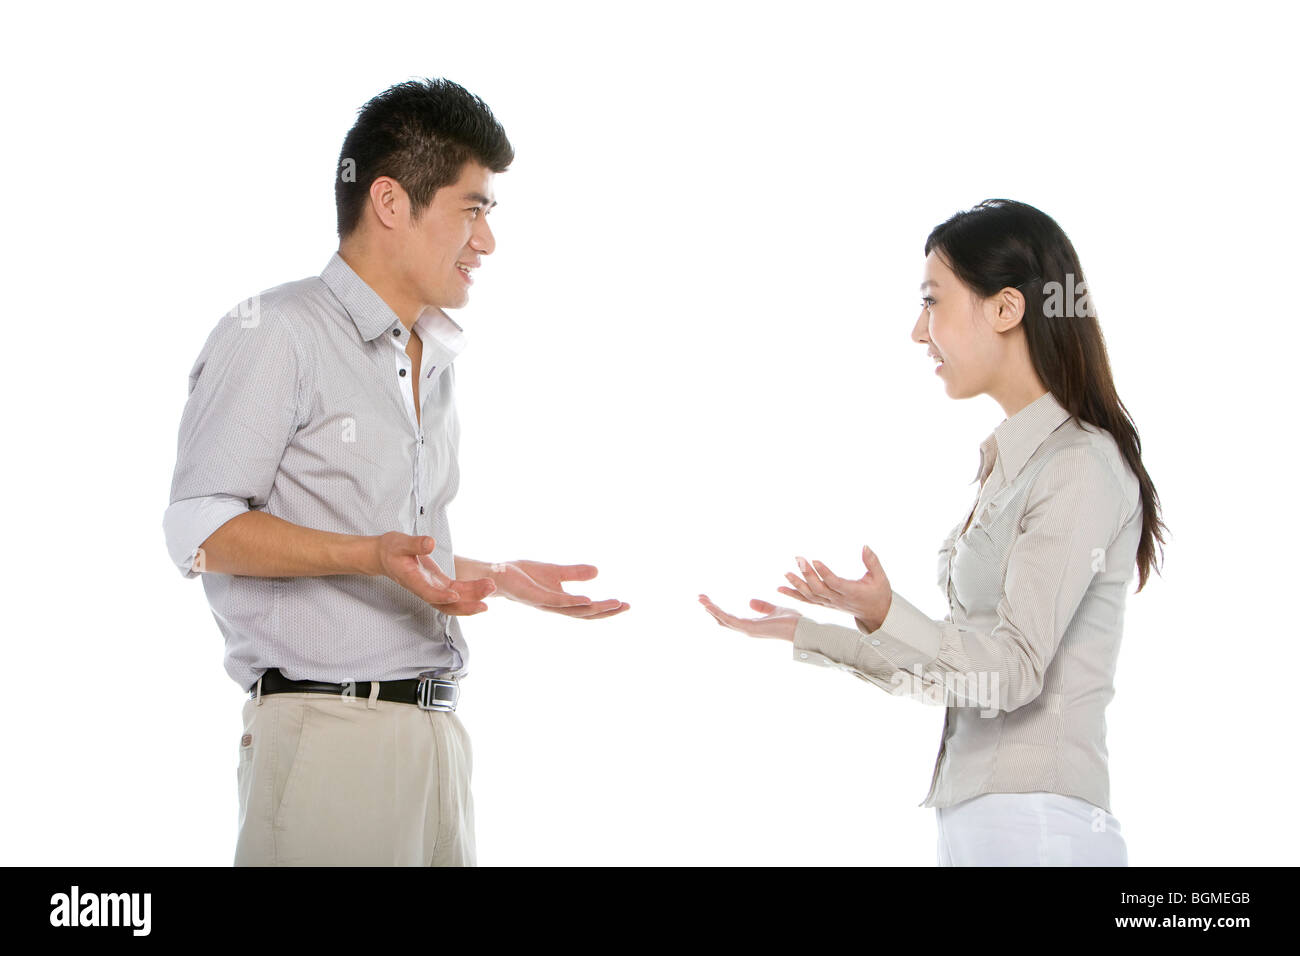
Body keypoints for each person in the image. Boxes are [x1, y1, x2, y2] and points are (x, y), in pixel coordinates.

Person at [163, 78, 629, 867]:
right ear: (389, 201)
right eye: (473, 208)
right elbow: (196, 529)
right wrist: (364, 555)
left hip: (436, 740)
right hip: (329, 744)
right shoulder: (277, 331)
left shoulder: (429, 356)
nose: (487, 242)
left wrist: (496, 574)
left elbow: (389, 545)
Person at [699, 199, 1166, 866]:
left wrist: (891, 613)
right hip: (986, 827)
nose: (920, 332)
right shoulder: (1014, 467)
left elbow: (1013, 676)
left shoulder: (1078, 466)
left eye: (932, 302)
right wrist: (821, 632)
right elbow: (960, 679)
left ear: (1006, 309)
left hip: (1037, 829)